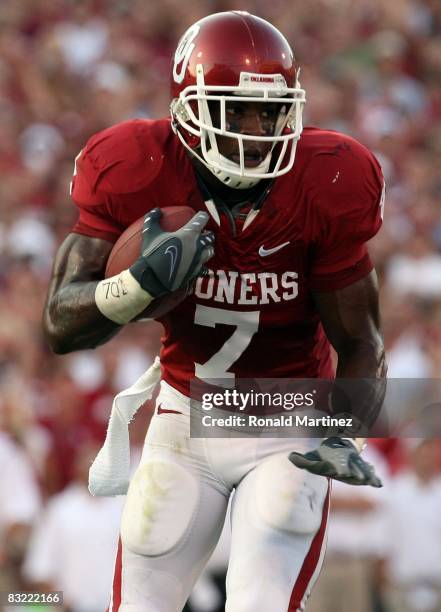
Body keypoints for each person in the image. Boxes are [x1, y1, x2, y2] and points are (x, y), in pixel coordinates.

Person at [43, 11, 387, 612]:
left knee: (260, 593)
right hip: (187, 409)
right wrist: (133, 286)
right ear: (189, 110)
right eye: (236, 110)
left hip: (288, 416)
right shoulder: (136, 165)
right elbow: (60, 322)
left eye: (270, 111)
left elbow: (362, 339)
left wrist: (342, 431)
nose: (256, 129)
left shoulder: (327, 178)